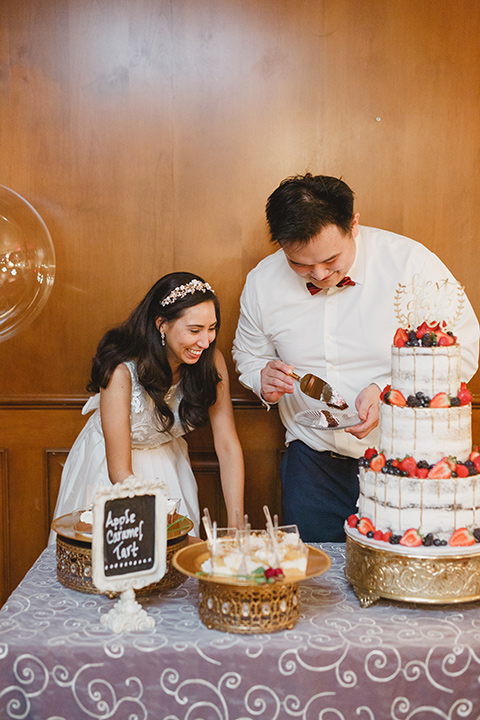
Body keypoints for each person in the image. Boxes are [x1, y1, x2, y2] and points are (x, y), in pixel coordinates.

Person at [233, 173, 479, 542]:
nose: (319, 274)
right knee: (316, 586)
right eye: (299, 264)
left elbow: (463, 347)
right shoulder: (262, 282)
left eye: (331, 259)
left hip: (403, 461)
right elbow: (248, 355)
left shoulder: (411, 264)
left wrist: (389, 394)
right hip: (312, 461)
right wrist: (259, 377)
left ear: (353, 224)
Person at [50, 271, 244, 543]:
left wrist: (237, 523)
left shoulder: (211, 362)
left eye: (212, 328)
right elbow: (119, 472)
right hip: (112, 471)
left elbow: (227, 444)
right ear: (161, 324)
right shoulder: (121, 369)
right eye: (194, 330)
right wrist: (173, 535)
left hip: (169, 462)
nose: (205, 341)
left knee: (173, 577)